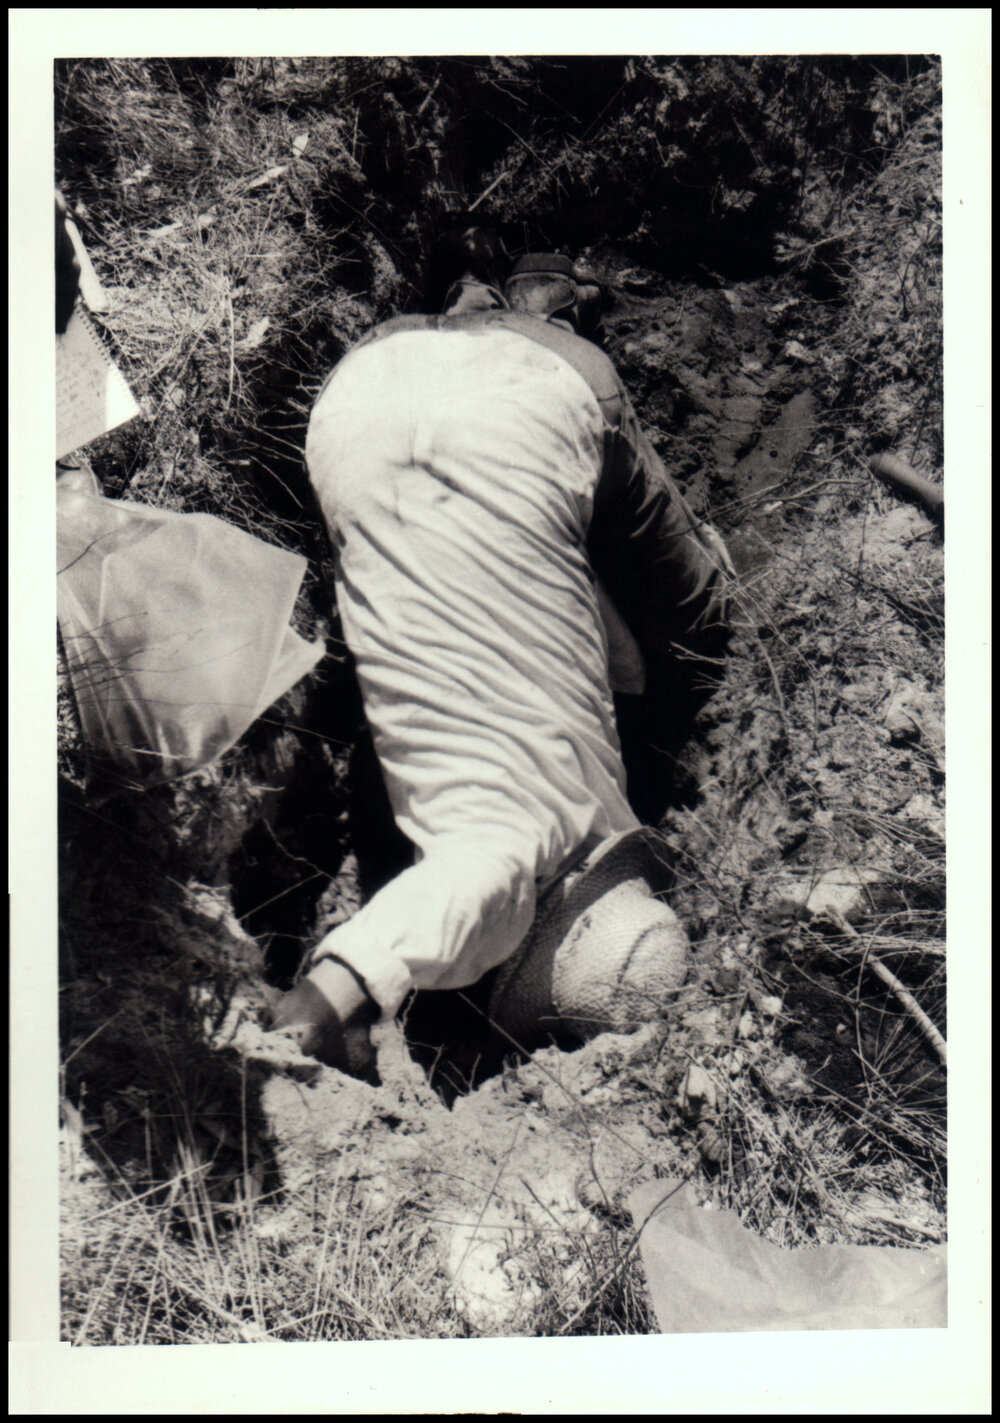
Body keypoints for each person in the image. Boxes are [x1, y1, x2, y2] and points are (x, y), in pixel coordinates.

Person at [269, 231, 731, 1073]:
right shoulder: (510, 856)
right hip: (352, 410)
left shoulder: (550, 817)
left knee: (678, 608)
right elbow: (457, 892)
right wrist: (331, 1000)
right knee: (682, 617)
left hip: (484, 390)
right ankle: (501, 314)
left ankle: (516, 313)